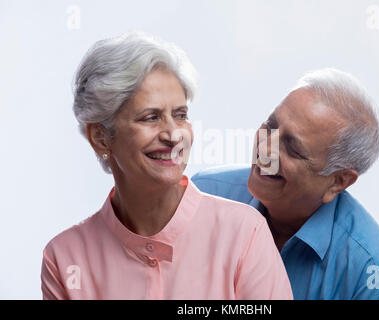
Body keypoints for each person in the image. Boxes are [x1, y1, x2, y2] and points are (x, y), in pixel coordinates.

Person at [40, 31, 292, 300]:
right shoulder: (65, 258)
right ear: (101, 137)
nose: (173, 135)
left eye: (181, 115)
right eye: (150, 118)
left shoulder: (244, 232)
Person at [192, 68, 379, 299]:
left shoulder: (371, 272)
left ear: (337, 182)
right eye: (270, 126)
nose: (264, 150)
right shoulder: (203, 194)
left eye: (292, 148)